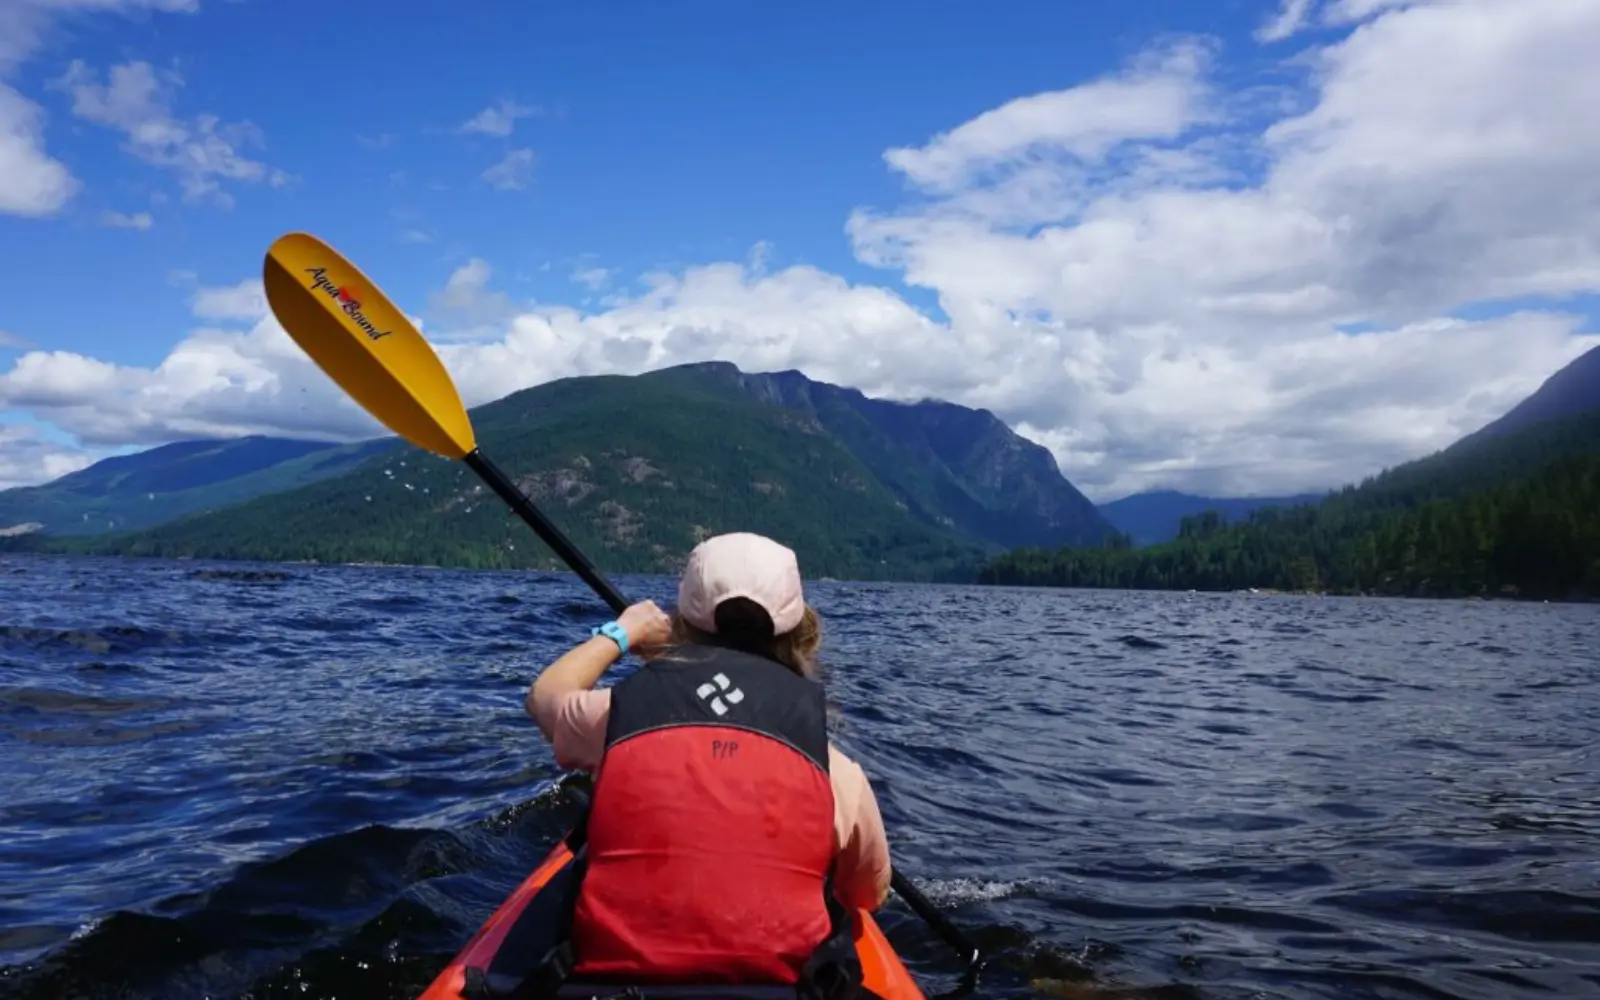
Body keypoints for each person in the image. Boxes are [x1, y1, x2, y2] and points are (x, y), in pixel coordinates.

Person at [526, 531, 893, 988]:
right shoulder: (833, 767)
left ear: (679, 622)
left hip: (613, 984)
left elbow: (545, 697)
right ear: (804, 634)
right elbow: (865, 894)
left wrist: (625, 632)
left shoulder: (617, 716)